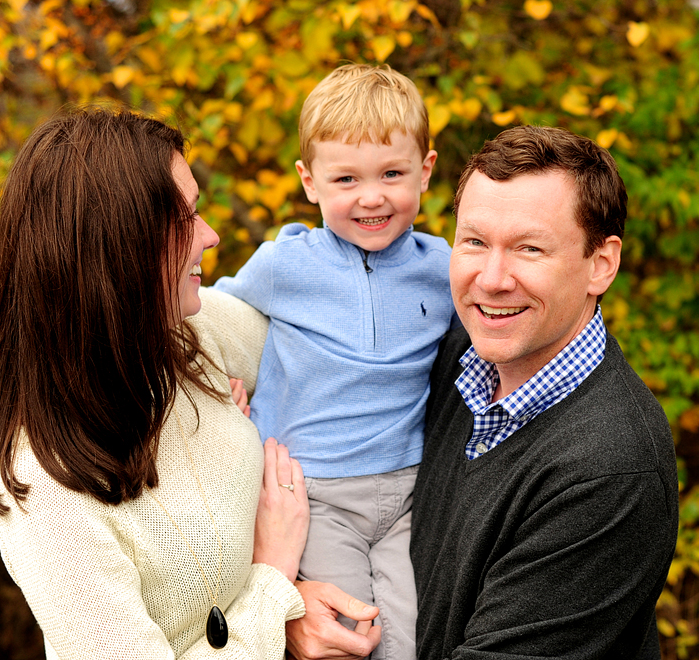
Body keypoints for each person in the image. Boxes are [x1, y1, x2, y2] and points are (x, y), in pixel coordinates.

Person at [286, 125, 679, 660]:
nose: (491, 279)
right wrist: (292, 602)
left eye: (529, 248)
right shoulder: (449, 357)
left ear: (600, 264)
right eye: (473, 241)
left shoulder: (608, 467)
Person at [0, 107, 310, 659]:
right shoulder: (40, 481)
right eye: (187, 219)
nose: (212, 236)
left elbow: (343, 366)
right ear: (117, 246)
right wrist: (274, 585)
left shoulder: (192, 331)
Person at [213, 64, 457, 660]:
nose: (371, 197)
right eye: (345, 178)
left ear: (425, 170)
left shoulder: (444, 267)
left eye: (392, 174)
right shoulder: (284, 266)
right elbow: (204, 318)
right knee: (349, 639)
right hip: (315, 495)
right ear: (309, 181)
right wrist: (213, 385)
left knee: (412, 639)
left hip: (409, 493)